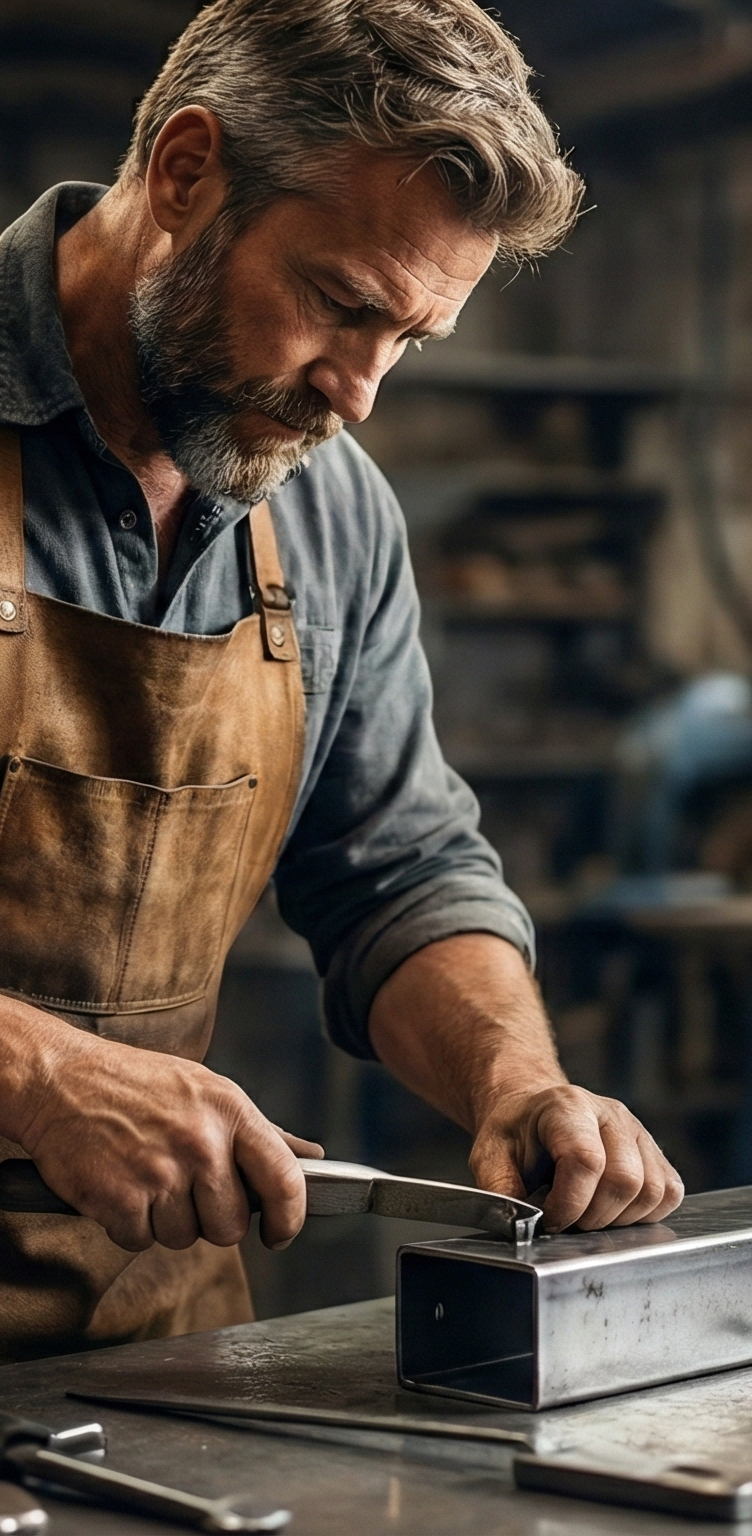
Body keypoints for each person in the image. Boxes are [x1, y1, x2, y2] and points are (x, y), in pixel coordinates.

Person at [0, 0, 682, 1358]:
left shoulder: (331, 514)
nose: (361, 393)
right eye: (341, 304)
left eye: (410, 340)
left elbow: (396, 869)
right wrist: (41, 1075)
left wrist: (515, 1075)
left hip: (150, 1351)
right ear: (187, 173)